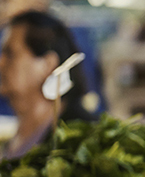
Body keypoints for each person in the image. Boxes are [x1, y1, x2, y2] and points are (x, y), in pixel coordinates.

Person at [0, 10, 94, 159]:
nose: (1, 63)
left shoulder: (81, 140)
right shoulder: (21, 135)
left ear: (48, 64)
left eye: (10, 54)